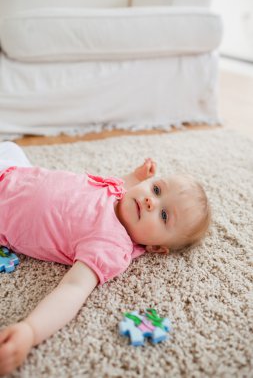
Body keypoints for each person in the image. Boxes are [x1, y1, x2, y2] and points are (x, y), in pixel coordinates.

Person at [0, 141, 211, 375]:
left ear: (156, 247)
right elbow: (118, 186)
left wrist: (30, 331)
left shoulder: (110, 246)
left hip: (5, 209)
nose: (151, 200)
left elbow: (73, 289)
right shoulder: (120, 193)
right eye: (156, 189)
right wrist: (134, 176)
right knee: (11, 146)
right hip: (16, 170)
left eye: (163, 215)